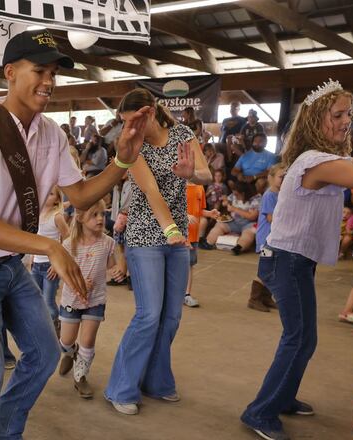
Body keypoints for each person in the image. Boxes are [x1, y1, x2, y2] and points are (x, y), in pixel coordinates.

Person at [0, 30, 153, 439]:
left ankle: (4, 433)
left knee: (44, 354)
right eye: (40, 71)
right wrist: (50, 246)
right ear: (10, 73)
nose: (49, 82)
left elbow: (82, 193)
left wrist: (123, 159)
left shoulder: (51, 133)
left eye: (54, 73)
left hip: (9, 264)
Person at [240, 80, 353, 440]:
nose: (347, 120)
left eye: (349, 113)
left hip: (295, 259)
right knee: (298, 338)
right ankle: (260, 412)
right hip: (287, 260)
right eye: (338, 114)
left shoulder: (326, 158)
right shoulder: (316, 162)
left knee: (303, 338)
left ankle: (280, 398)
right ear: (317, 119)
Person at [104, 88, 211, 416]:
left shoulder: (181, 133)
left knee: (171, 316)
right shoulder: (134, 147)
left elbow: (205, 174)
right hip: (147, 235)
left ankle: (156, 380)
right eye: (124, 124)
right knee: (148, 314)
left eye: (133, 121)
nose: (128, 130)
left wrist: (190, 174)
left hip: (176, 236)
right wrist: (170, 230)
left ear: (150, 112)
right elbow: (150, 192)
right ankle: (120, 386)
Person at [57, 199, 115, 399]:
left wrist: (117, 270)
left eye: (103, 214)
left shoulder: (108, 243)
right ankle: (69, 351)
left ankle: (80, 376)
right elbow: (64, 271)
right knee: (66, 339)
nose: (101, 219)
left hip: (95, 300)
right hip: (72, 301)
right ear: (80, 218)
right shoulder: (68, 244)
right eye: (95, 215)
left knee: (88, 340)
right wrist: (79, 283)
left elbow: (110, 265)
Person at [31, 187, 69, 332]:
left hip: (50, 265)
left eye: (51, 194)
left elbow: (67, 238)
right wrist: (33, 259)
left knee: (48, 300)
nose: (47, 195)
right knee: (36, 298)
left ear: (57, 199)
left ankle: (55, 326)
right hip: (36, 265)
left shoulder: (57, 216)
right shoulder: (37, 214)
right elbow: (36, 239)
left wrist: (57, 262)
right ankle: (42, 326)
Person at [184, 180, 217, 308]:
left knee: (189, 264)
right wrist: (185, 216)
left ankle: (186, 294)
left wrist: (209, 213)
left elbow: (199, 210)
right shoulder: (177, 184)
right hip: (178, 233)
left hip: (193, 235)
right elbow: (169, 208)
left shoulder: (199, 188)